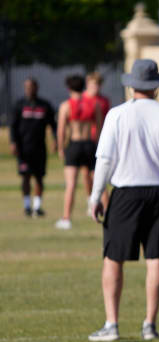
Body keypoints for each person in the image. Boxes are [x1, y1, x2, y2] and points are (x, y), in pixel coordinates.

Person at [87, 59, 159, 342]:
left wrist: (96, 196)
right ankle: (150, 324)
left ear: (131, 84)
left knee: (113, 258)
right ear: (157, 86)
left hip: (125, 193)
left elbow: (105, 160)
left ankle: (112, 323)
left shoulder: (117, 115)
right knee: (156, 257)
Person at [55, 75, 103, 230]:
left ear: (69, 88)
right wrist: (98, 146)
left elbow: (61, 130)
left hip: (74, 145)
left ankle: (66, 218)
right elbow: (101, 127)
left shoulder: (66, 106)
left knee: (71, 184)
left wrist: (61, 147)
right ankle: (109, 213)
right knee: (100, 181)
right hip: (90, 144)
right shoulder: (94, 103)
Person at [10, 78, 57, 217]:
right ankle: (26, 206)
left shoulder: (44, 105)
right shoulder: (19, 105)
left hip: (39, 148)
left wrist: (55, 140)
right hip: (23, 149)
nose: (29, 89)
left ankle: (37, 207)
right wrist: (13, 142)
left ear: (36, 87)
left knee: (39, 178)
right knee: (25, 176)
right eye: (27, 87)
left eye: (32, 87)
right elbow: (13, 126)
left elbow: (53, 126)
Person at [84, 72, 111, 207]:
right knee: (86, 174)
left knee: (98, 172)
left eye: (97, 85)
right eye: (92, 84)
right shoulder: (82, 99)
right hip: (86, 140)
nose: (95, 87)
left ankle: (104, 204)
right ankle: (91, 199)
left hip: (100, 140)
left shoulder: (104, 101)